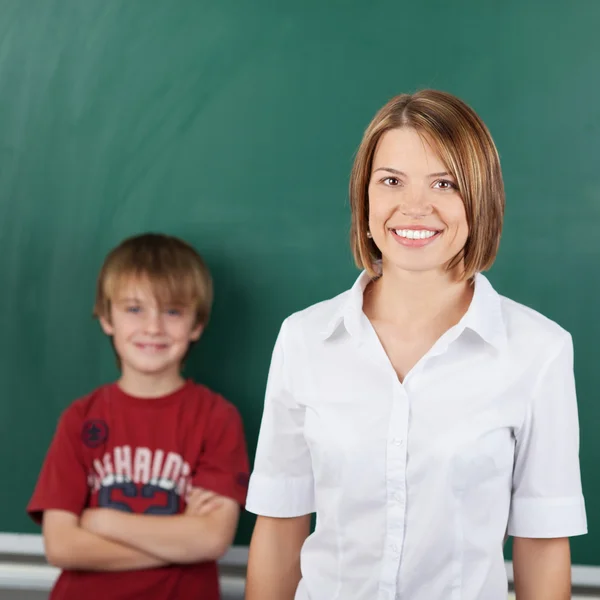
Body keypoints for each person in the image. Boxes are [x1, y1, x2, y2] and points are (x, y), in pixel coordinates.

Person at [244, 90, 587, 600]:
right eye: (391, 181)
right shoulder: (304, 339)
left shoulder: (539, 352)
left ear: (480, 199)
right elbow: (280, 522)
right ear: (365, 198)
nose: (415, 206)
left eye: (444, 183)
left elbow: (541, 542)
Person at [27, 233, 249, 600]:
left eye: (173, 311)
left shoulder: (216, 418)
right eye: (134, 309)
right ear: (106, 317)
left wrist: (101, 521)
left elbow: (210, 539)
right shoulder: (80, 418)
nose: (153, 328)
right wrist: (178, 539)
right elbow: (62, 545)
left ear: (197, 324)